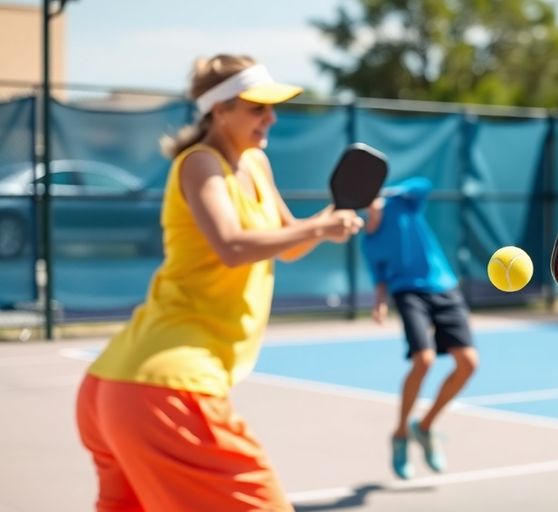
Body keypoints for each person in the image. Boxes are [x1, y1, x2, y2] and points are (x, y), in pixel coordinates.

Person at [75, 54, 363, 511]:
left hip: (120, 387)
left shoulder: (256, 165)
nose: (271, 117)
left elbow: (285, 243)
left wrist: (332, 217)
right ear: (219, 110)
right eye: (257, 107)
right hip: (166, 390)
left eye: (271, 107)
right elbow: (231, 246)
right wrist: (316, 229)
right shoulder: (200, 165)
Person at [361, 176, 478, 480]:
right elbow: (379, 275)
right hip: (407, 292)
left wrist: (386, 191)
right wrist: (380, 302)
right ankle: (400, 434)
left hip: (444, 286)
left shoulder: (402, 203)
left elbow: (425, 184)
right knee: (423, 360)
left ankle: (424, 427)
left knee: (468, 364)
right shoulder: (368, 239)